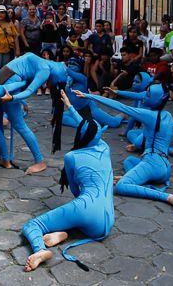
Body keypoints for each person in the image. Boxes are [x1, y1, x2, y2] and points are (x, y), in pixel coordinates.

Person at [22, 95, 114, 272]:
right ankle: (63, 233)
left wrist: (70, 106)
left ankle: (40, 251)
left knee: (32, 225)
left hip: (86, 209)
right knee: (77, 216)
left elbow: (74, 189)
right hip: (106, 223)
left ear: (79, 134)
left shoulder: (72, 157)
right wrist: (70, 106)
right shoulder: (105, 148)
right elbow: (90, 130)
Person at [75, 88, 173, 211]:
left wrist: (88, 96)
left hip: (152, 165)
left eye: (148, 94)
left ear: (156, 100)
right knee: (129, 161)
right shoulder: (167, 115)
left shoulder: (150, 116)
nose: (144, 96)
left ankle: (168, 197)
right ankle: (133, 179)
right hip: (165, 168)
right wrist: (117, 92)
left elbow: (121, 107)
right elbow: (136, 95)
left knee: (121, 186)